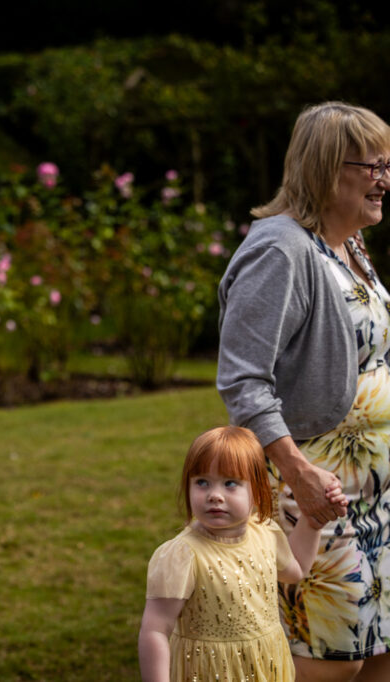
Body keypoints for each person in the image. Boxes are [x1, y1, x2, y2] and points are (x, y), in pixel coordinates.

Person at [217, 101, 390, 680]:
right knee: (330, 661)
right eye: (372, 165)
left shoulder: (349, 246)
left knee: (380, 651)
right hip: (315, 493)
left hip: (373, 495)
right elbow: (243, 378)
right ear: (325, 168)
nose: (384, 178)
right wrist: (296, 473)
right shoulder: (281, 249)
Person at [138, 426, 343, 682]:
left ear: (256, 491)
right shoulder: (182, 555)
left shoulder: (265, 533)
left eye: (230, 483)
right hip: (207, 671)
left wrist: (312, 522)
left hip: (265, 667)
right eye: (202, 482)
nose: (215, 495)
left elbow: (297, 569)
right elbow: (156, 630)